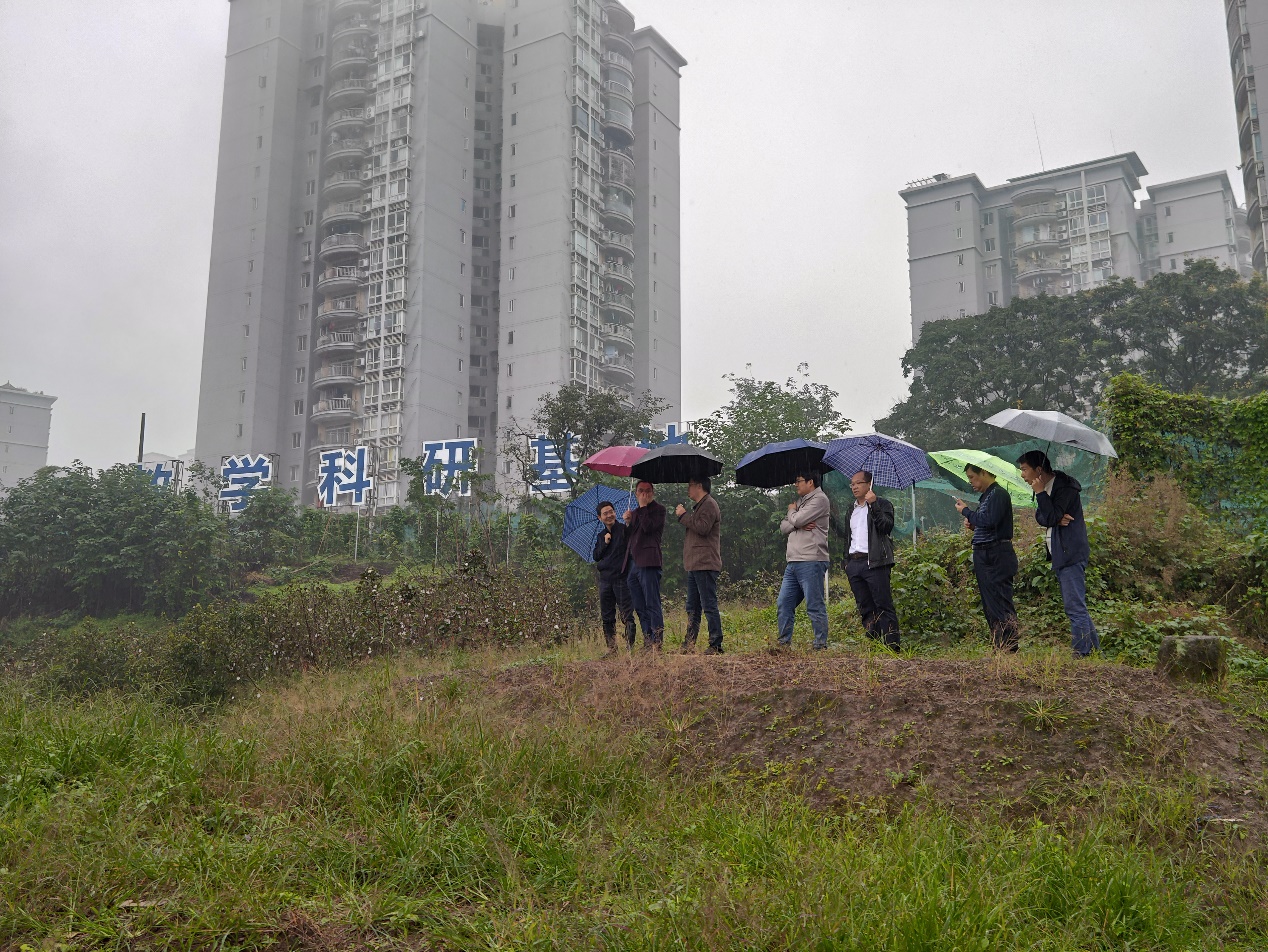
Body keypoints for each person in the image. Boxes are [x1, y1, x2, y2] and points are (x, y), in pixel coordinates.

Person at [1017, 450, 1099, 657]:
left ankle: (1081, 653)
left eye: (1024, 470)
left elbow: (1050, 514)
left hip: (1070, 552)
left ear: (1038, 469)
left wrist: (1041, 495)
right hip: (1061, 553)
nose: (1022, 475)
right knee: (1076, 606)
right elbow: (1041, 517)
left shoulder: (1064, 487)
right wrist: (1052, 515)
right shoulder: (1046, 488)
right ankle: (1094, 651)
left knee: (1074, 607)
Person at [832, 470, 900, 651]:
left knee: (883, 605)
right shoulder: (851, 509)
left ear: (869, 484)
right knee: (865, 608)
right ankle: (874, 646)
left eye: (858, 483)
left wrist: (874, 504)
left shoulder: (883, 504)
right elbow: (848, 537)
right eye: (852, 484)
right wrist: (847, 562)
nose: (854, 487)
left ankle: (892, 647)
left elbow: (886, 527)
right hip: (855, 564)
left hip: (875, 562)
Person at [955, 464, 1020, 652]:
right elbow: (988, 523)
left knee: (1000, 601)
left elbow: (988, 520)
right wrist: (974, 526)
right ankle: (999, 644)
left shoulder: (998, 494)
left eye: (972, 477)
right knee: (990, 603)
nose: (971, 482)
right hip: (984, 553)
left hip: (996, 553)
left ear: (984, 472)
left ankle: (1009, 646)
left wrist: (966, 511)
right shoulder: (987, 497)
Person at [777, 470, 831, 650]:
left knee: (814, 604)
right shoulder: (801, 501)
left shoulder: (820, 499)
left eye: (799, 481)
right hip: (793, 560)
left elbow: (797, 519)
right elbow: (784, 526)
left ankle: (820, 645)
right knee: (784, 603)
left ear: (810, 482)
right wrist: (796, 523)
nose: (796, 484)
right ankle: (783, 643)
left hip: (811, 559)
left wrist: (792, 513)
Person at [675, 476, 723, 654]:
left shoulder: (709, 504)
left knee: (708, 605)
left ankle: (715, 644)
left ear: (699, 486)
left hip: (705, 563)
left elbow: (702, 528)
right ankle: (689, 644)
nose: (688, 489)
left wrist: (683, 516)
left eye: (690, 485)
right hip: (695, 564)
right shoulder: (701, 506)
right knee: (692, 607)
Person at [623, 480, 666, 650]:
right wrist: (627, 522)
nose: (644, 494)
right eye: (641, 491)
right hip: (633, 564)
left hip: (649, 562)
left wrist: (642, 507)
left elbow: (648, 528)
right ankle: (648, 640)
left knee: (652, 603)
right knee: (639, 606)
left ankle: (657, 641)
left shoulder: (659, 510)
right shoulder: (634, 513)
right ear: (636, 493)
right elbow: (630, 537)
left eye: (648, 491)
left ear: (652, 493)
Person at [592, 500, 637, 656]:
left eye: (611, 511)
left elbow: (633, 538)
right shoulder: (601, 536)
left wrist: (629, 522)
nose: (609, 515)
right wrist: (605, 543)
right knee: (607, 616)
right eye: (605, 513)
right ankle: (612, 649)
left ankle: (630, 648)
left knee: (627, 614)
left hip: (621, 578)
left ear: (615, 513)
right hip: (605, 580)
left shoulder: (624, 530)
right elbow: (596, 556)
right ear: (600, 517)